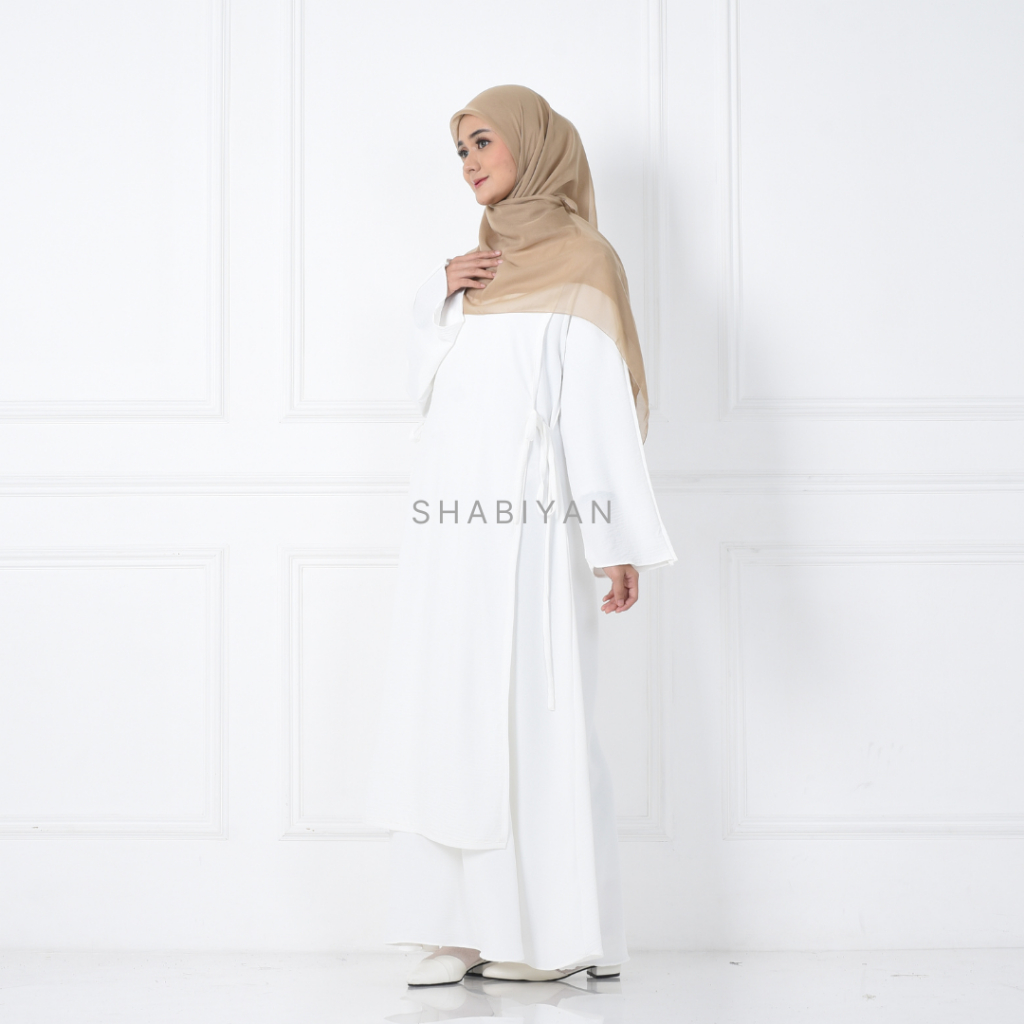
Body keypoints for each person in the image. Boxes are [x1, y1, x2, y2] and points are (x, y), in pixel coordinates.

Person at [366, 84, 676, 987]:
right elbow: (431, 393)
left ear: (534, 146)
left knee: (530, 717)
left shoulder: (584, 262)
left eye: (482, 142)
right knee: (446, 713)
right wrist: (435, 295)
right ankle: (455, 926)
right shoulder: (476, 267)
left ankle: (546, 934)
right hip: (450, 534)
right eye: (459, 150)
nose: (469, 164)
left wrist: (611, 540)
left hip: (534, 535)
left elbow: (597, 410)